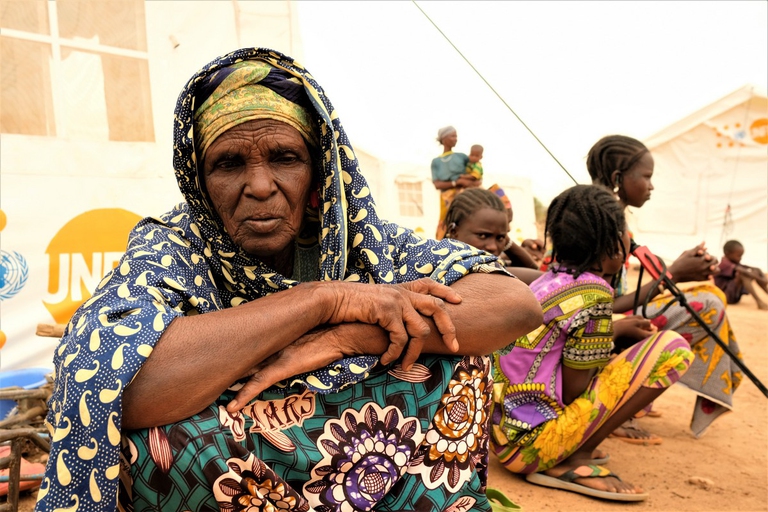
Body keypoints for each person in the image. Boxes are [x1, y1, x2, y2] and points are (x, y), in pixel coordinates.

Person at [35, 48, 543, 512]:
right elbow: (123, 386)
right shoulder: (170, 247)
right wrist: (322, 300)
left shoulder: (362, 241)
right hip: (236, 481)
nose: (259, 186)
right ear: (200, 182)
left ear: (319, 171)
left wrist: (350, 336)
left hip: (376, 470)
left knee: (461, 360)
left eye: (284, 158)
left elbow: (512, 303)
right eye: (229, 164)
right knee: (151, 440)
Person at [490, 185, 693, 502]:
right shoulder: (595, 294)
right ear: (611, 244)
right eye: (625, 233)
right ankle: (572, 459)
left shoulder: (551, 277)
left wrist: (611, 334)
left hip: (505, 439)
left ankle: (567, 453)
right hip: (534, 448)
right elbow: (574, 391)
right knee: (673, 349)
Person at [587, 134, 744, 437]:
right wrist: (671, 276)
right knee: (706, 306)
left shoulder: (612, 216)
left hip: (605, 315)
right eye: (646, 176)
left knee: (708, 293)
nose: (651, 185)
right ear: (619, 178)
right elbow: (594, 303)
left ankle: (630, 388)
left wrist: (681, 271)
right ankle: (619, 397)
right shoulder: (600, 220)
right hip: (595, 322)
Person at [431, 126, 482, 238]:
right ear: (444, 139)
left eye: (456, 136)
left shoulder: (462, 157)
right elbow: (437, 184)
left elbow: (475, 168)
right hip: (447, 197)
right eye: (453, 136)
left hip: (466, 192)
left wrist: (474, 180)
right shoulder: (436, 162)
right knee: (448, 220)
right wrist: (456, 183)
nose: (456, 139)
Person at [715, 239, 768, 310]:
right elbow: (742, 270)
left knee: (754, 271)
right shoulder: (724, 264)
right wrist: (760, 279)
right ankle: (759, 302)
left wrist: (759, 272)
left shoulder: (734, 262)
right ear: (728, 253)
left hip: (734, 296)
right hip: (725, 297)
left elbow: (754, 269)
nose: (740, 258)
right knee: (742, 274)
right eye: (738, 256)